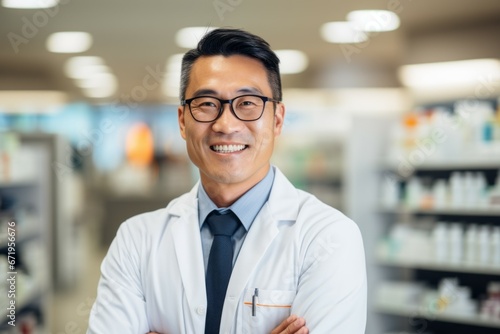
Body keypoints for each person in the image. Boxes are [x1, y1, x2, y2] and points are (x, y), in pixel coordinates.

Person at [87, 28, 366, 334]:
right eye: (207, 104)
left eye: (247, 103)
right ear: (182, 120)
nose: (225, 124)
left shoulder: (328, 238)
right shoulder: (136, 241)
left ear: (277, 120)